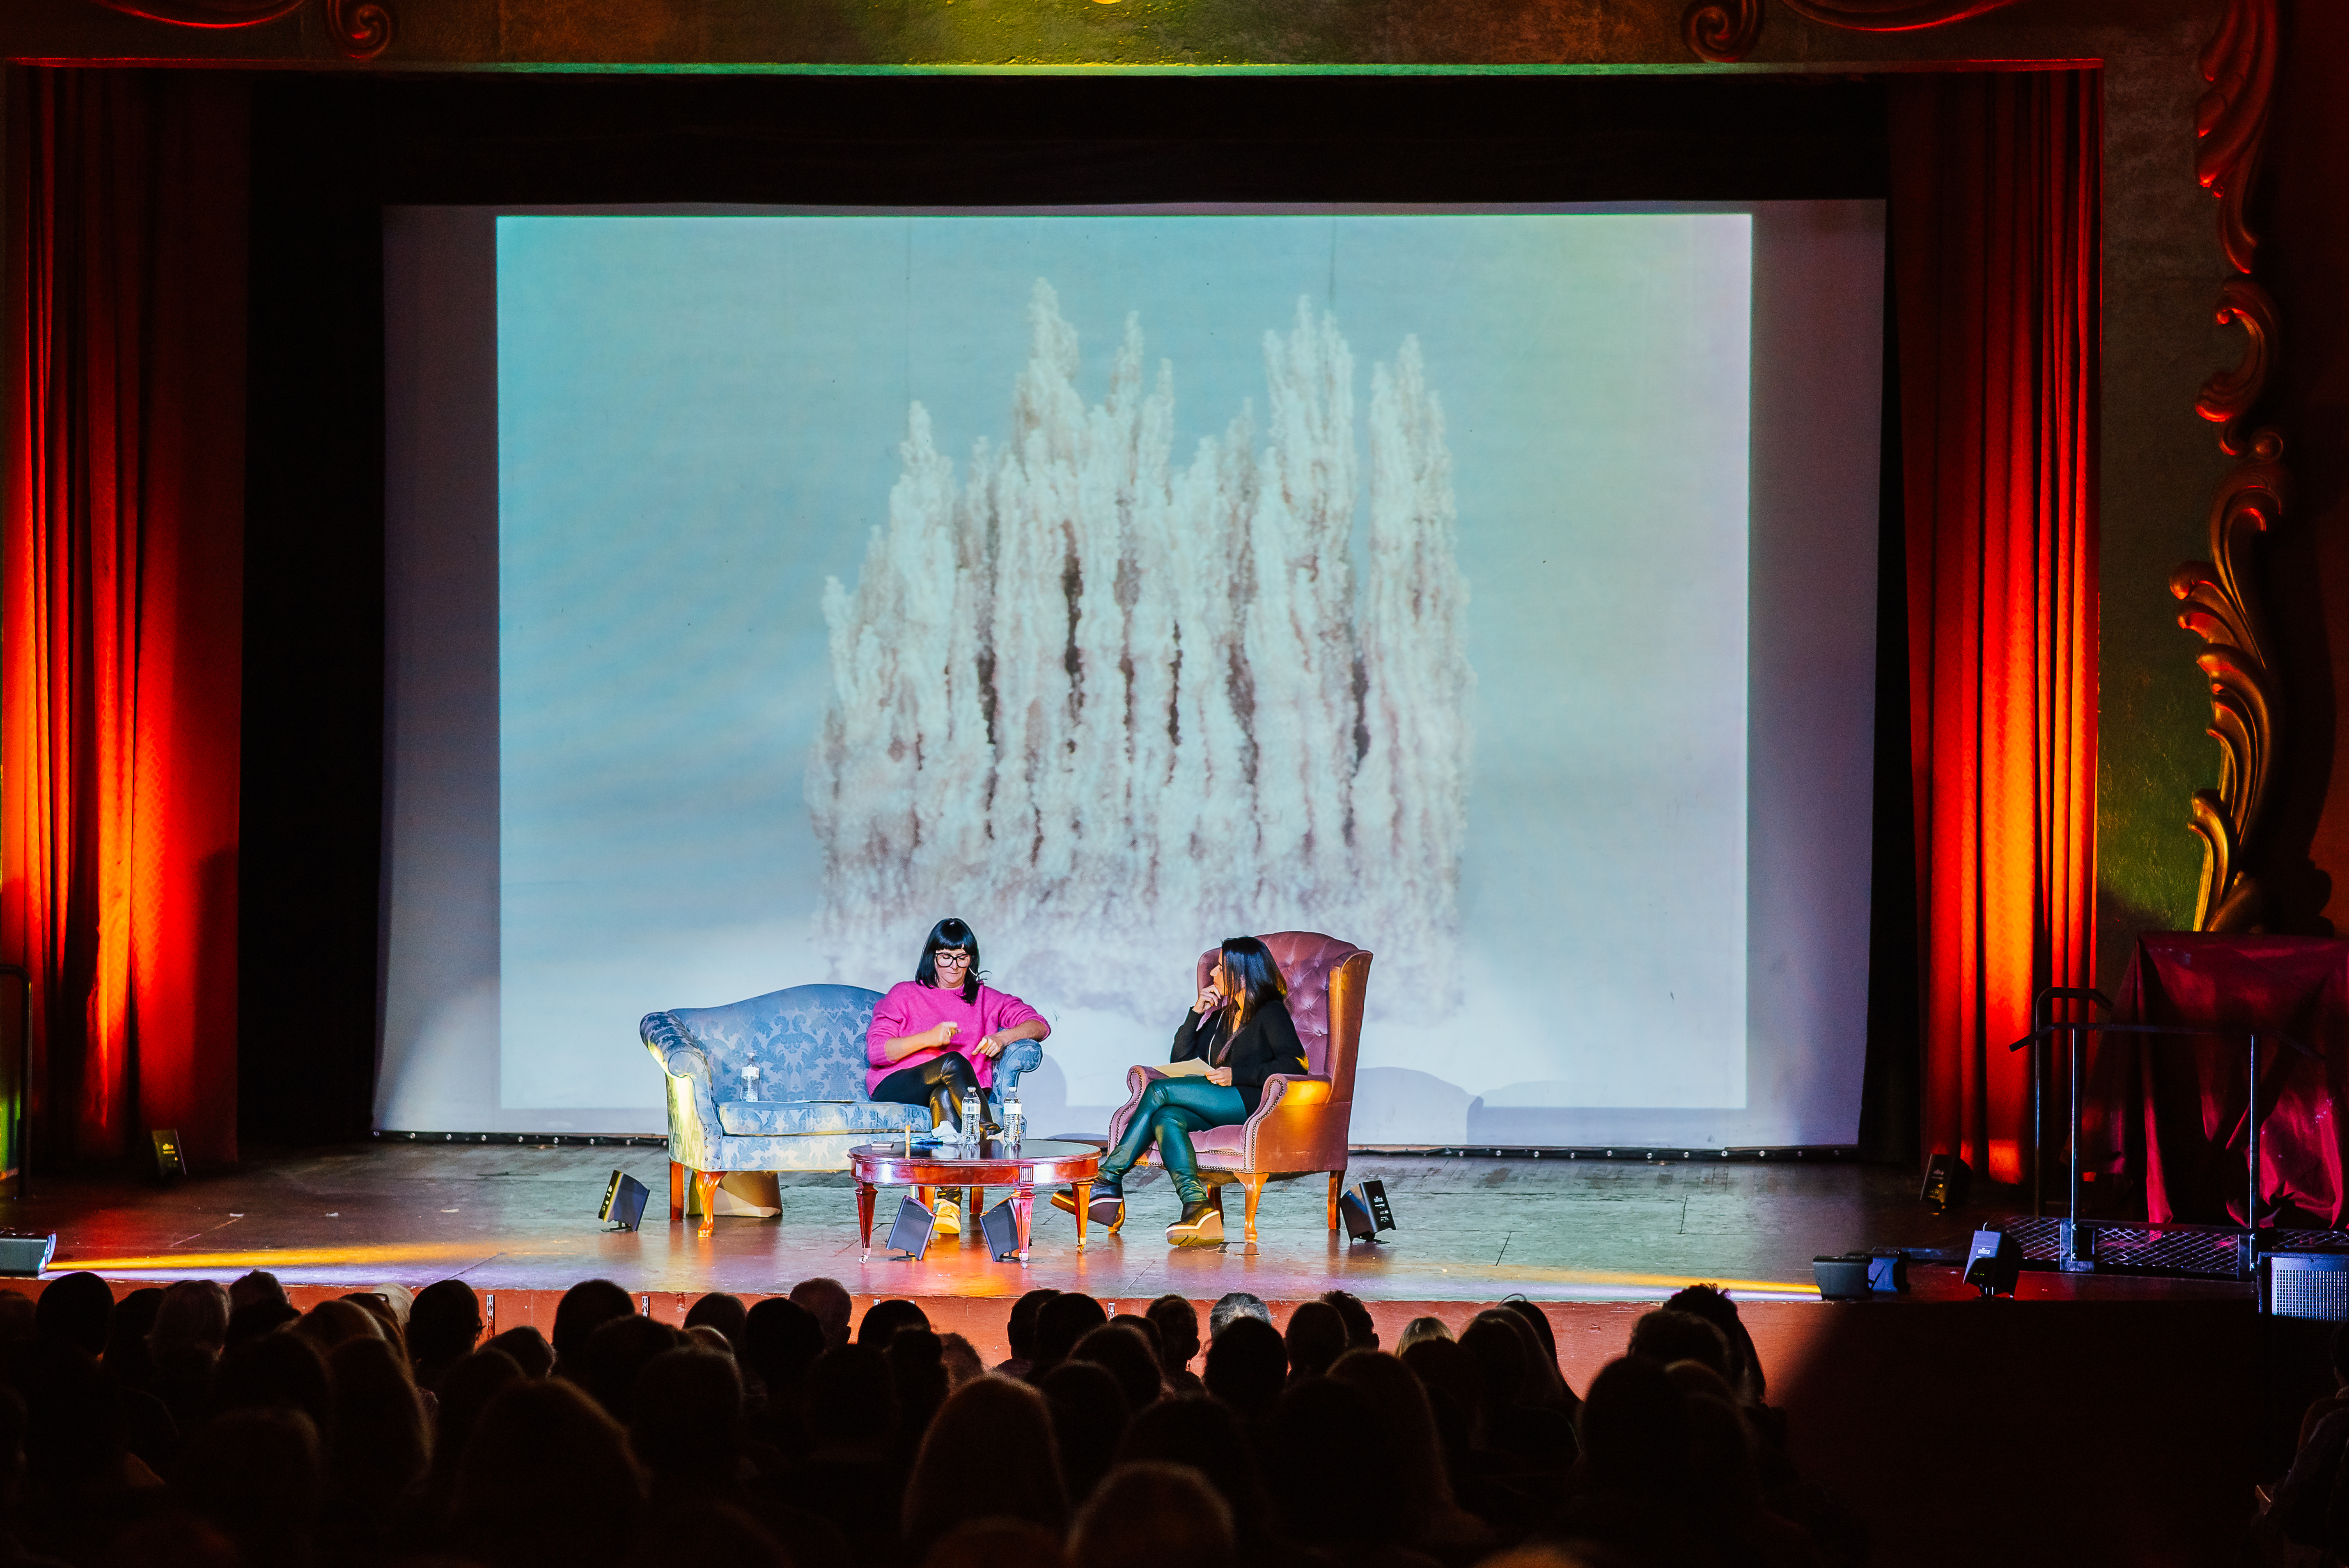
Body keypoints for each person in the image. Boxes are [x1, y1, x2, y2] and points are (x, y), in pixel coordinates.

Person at [1061, 936, 1305, 1247]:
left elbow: (1295, 1064)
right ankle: (1197, 1205)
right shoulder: (1222, 1017)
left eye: (1221, 968)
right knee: (1167, 1116)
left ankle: (1108, 1178)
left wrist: (1238, 1074)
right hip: (1221, 1099)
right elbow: (1182, 1059)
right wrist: (1196, 1012)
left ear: (1242, 975)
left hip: (1250, 1101)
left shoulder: (1271, 1012)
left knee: (1160, 1092)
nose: (1214, 974)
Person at [868, 917, 1051, 1236]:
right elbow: (879, 1051)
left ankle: (949, 1204)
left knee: (943, 1094)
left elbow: (1039, 1025)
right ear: (932, 957)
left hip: (957, 1094)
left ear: (972, 960)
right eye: (945, 957)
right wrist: (930, 1038)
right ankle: (989, 1133)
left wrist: (1003, 1039)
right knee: (952, 1061)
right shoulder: (905, 994)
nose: (953, 966)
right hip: (899, 1083)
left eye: (962, 957)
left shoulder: (985, 998)